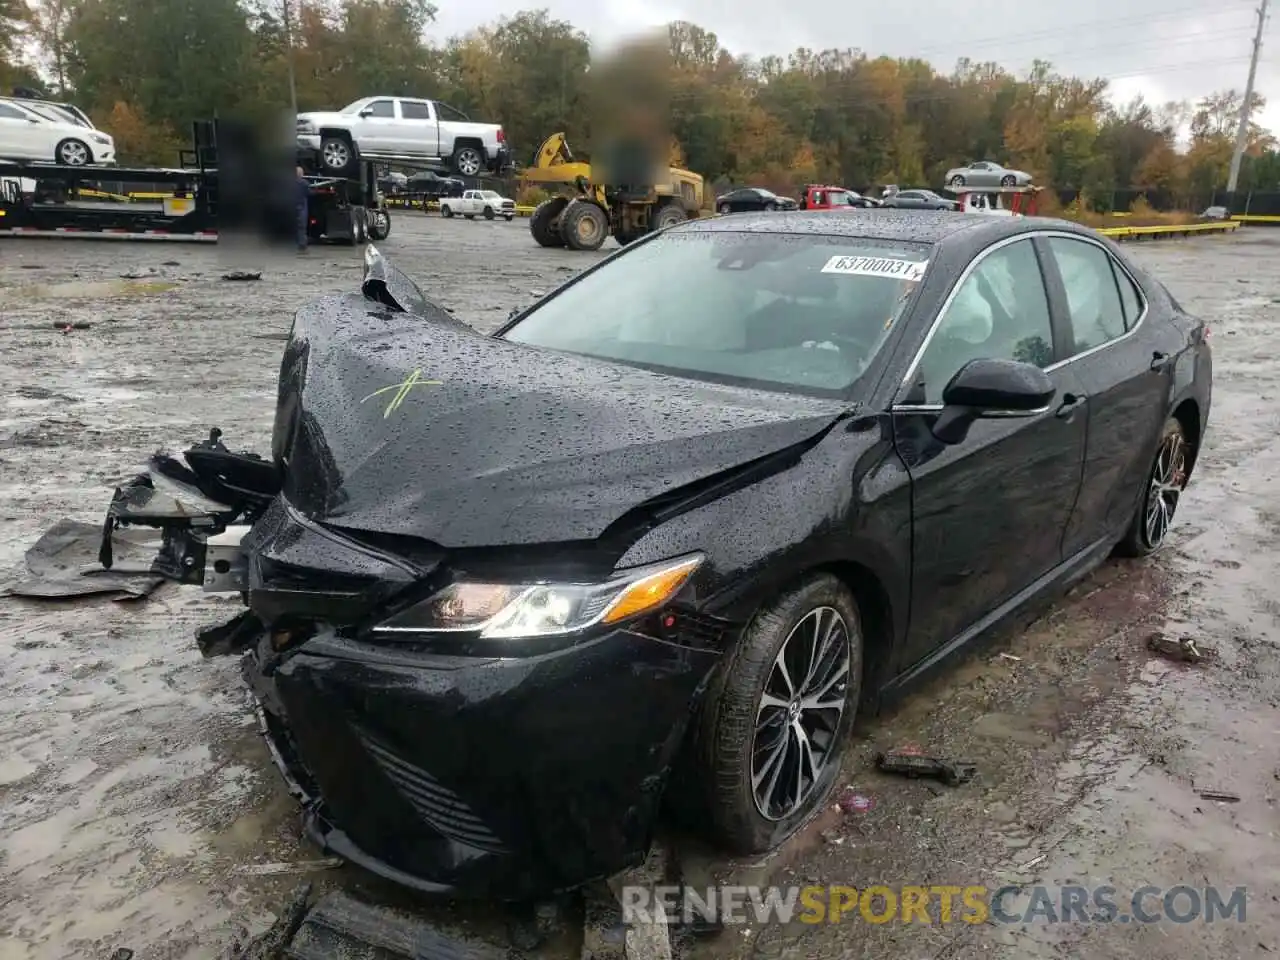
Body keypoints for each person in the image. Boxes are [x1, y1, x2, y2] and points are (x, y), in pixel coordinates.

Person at [295, 166, 309, 252]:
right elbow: (309, 193)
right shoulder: (304, 183)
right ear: (301, 174)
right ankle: (302, 245)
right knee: (302, 227)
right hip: (301, 207)